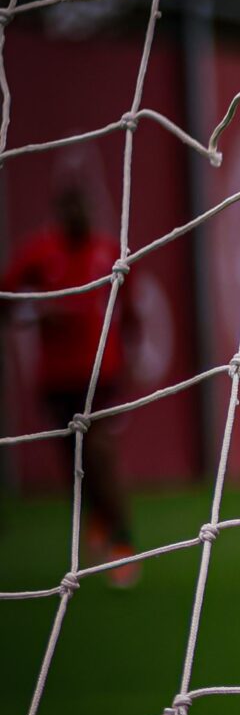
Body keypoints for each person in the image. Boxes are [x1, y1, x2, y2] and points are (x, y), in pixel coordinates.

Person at [5, 185, 139, 584]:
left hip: (100, 372)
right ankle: (97, 518)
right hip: (56, 376)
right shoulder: (40, 253)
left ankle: (124, 543)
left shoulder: (107, 252)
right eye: (70, 207)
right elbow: (8, 297)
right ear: (60, 213)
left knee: (99, 451)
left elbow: (128, 313)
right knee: (73, 463)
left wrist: (128, 358)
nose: (78, 213)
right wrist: (36, 313)